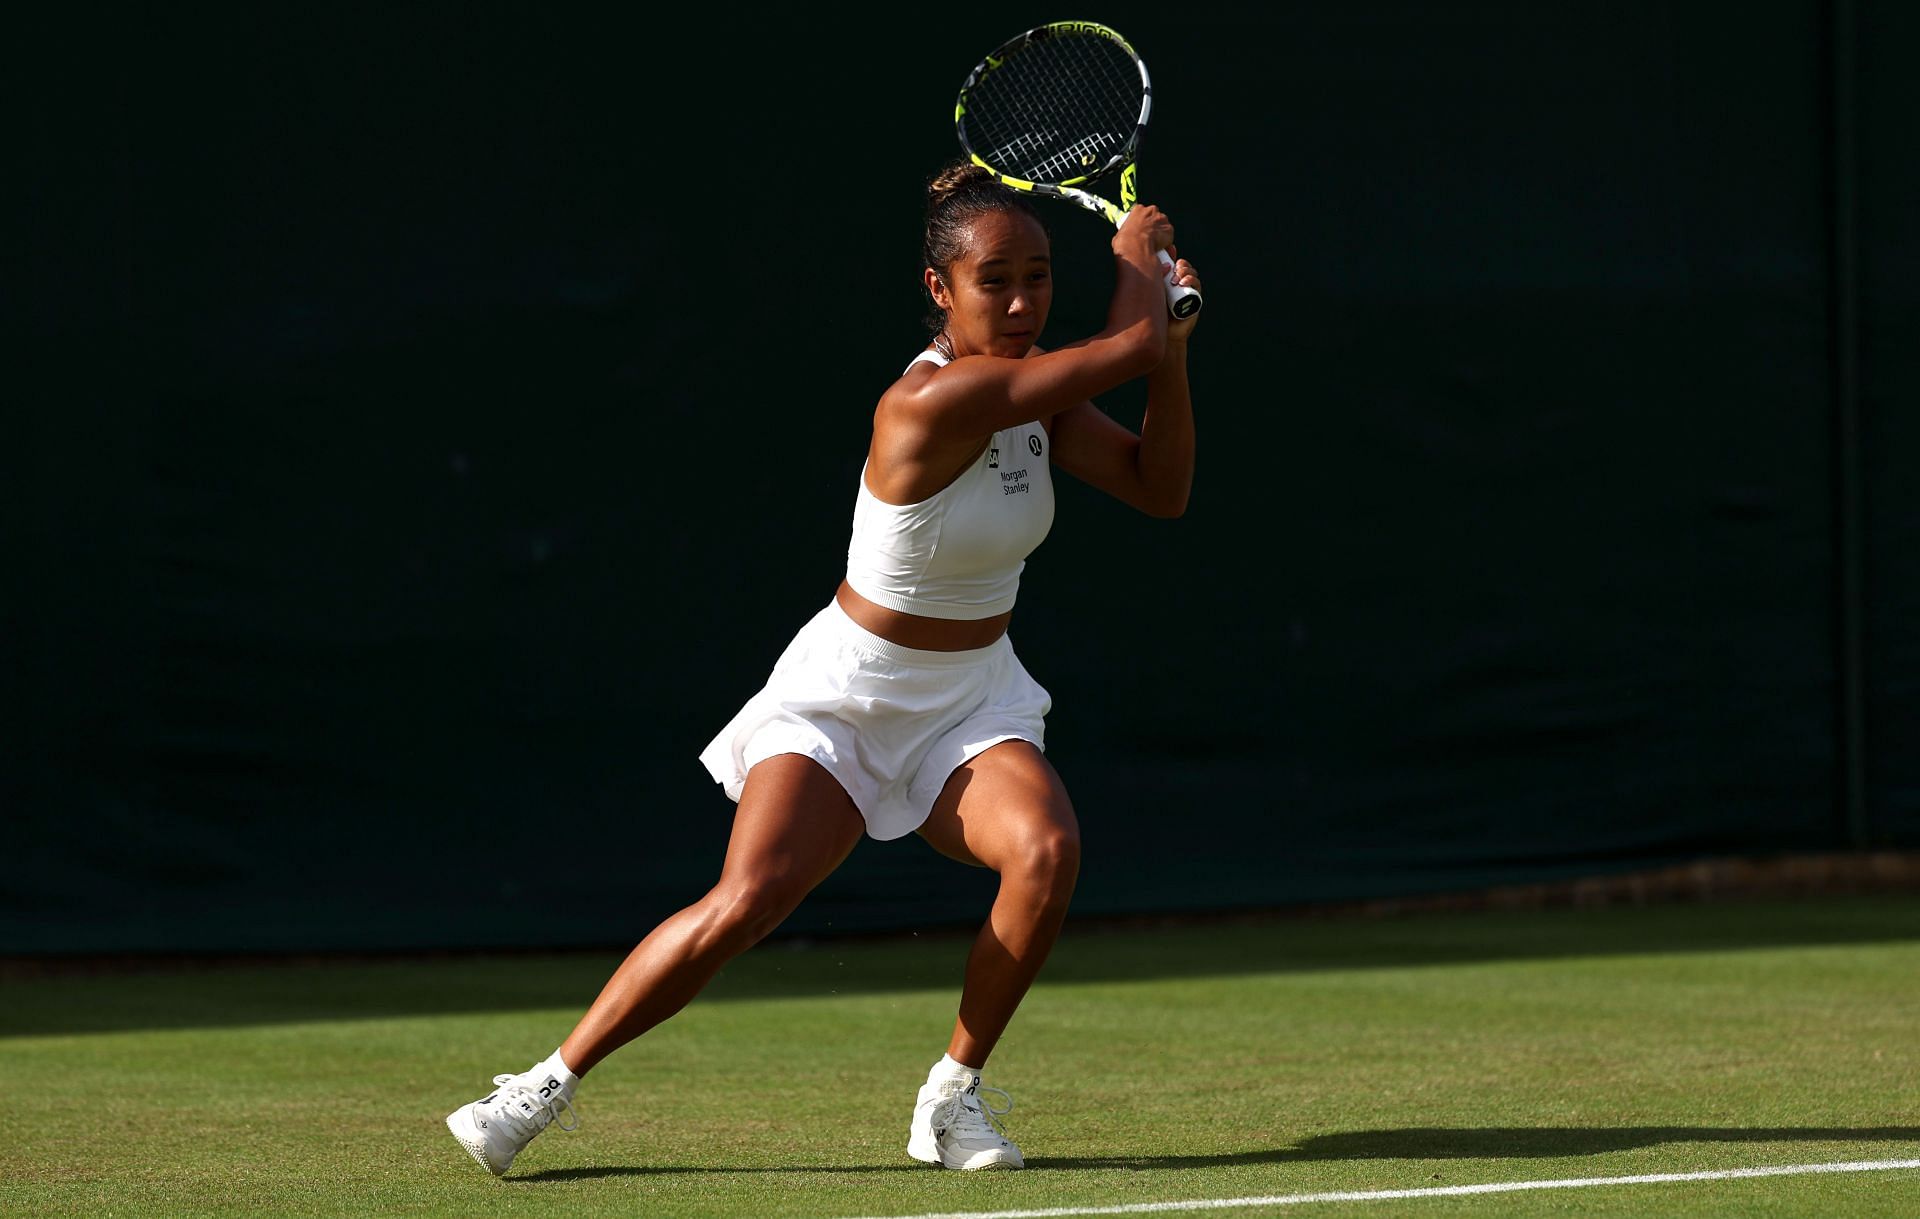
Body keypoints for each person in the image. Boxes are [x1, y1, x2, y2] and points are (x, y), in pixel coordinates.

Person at [445, 159, 1202, 1176]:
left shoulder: (1039, 398)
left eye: (1040, 276)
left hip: (972, 696)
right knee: (747, 897)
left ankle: (951, 1097)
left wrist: (1174, 356)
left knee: (1047, 850)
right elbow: (1127, 339)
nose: (1023, 301)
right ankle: (543, 1084)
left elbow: (1161, 489)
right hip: (849, 692)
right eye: (996, 280)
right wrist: (1138, 263)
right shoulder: (925, 405)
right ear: (940, 289)